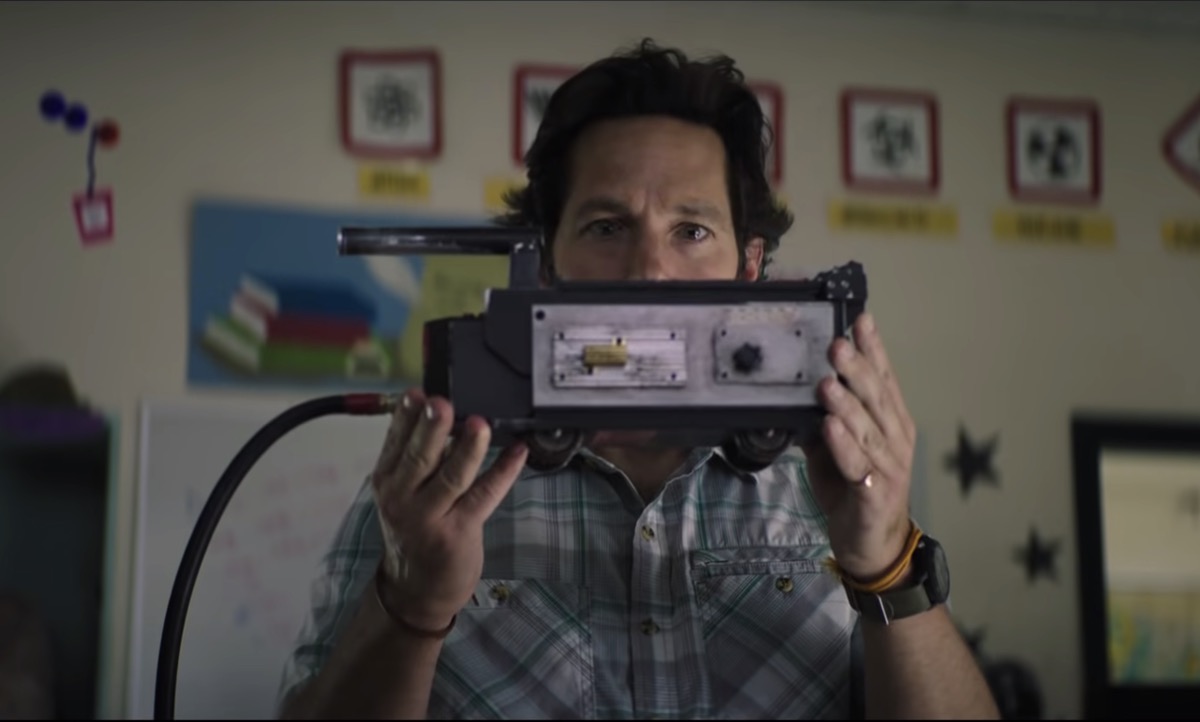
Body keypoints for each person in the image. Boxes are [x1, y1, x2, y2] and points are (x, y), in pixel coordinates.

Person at [276, 38, 1000, 720]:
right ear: (546, 265)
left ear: (748, 266)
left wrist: (887, 562)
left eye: (692, 231)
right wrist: (412, 606)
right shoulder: (436, 494)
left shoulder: (830, 478)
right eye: (606, 227)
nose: (650, 269)